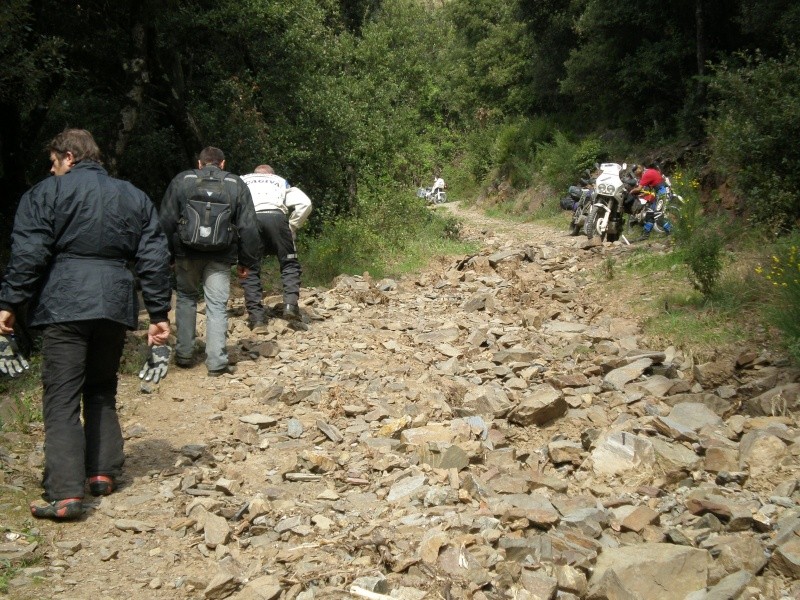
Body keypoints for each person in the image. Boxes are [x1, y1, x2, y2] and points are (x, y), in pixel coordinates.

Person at [0, 128, 173, 520]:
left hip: (66, 303)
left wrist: (9, 302)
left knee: (61, 398)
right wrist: (159, 315)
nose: (51, 168)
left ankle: (64, 493)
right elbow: (154, 257)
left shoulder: (46, 194)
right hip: (113, 301)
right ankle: (101, 472)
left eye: (53, 161)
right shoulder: (133, 196)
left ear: (69, 157)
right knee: (101, 389)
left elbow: (30, 252)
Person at [160, 147, 260, 375]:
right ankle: (216, 363)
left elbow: (165, 221)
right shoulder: (236, 184)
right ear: (222, 164)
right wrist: (247, 262)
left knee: (186, 297)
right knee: (216, 306)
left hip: (186, 253)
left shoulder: (182, 180)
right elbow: (249, 228)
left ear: (200, 163)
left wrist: (166, 256)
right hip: (221, 255)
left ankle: (184, 354)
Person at [240, 165, 312, 329]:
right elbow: (305, 203)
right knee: (289, 263)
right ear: (271, 174)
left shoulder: (242, 179)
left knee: (249, 267)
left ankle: (257, 319)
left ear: (255, 173)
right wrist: (292, 225)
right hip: (276, 217)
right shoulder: (279, 181)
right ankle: (290, 305)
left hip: (250, 220)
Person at [629, 163, 672, 239]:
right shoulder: (648, 171)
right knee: (650, 214)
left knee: (658, 216)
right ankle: (645, 235)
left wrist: (631, 191)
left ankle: (671, 232)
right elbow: (652, 186)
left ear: (638, 172)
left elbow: (639, 188)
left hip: (663, 192)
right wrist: (644, 195)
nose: (638, 177)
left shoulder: (646, 175)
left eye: (636, 174)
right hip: (660, 192)